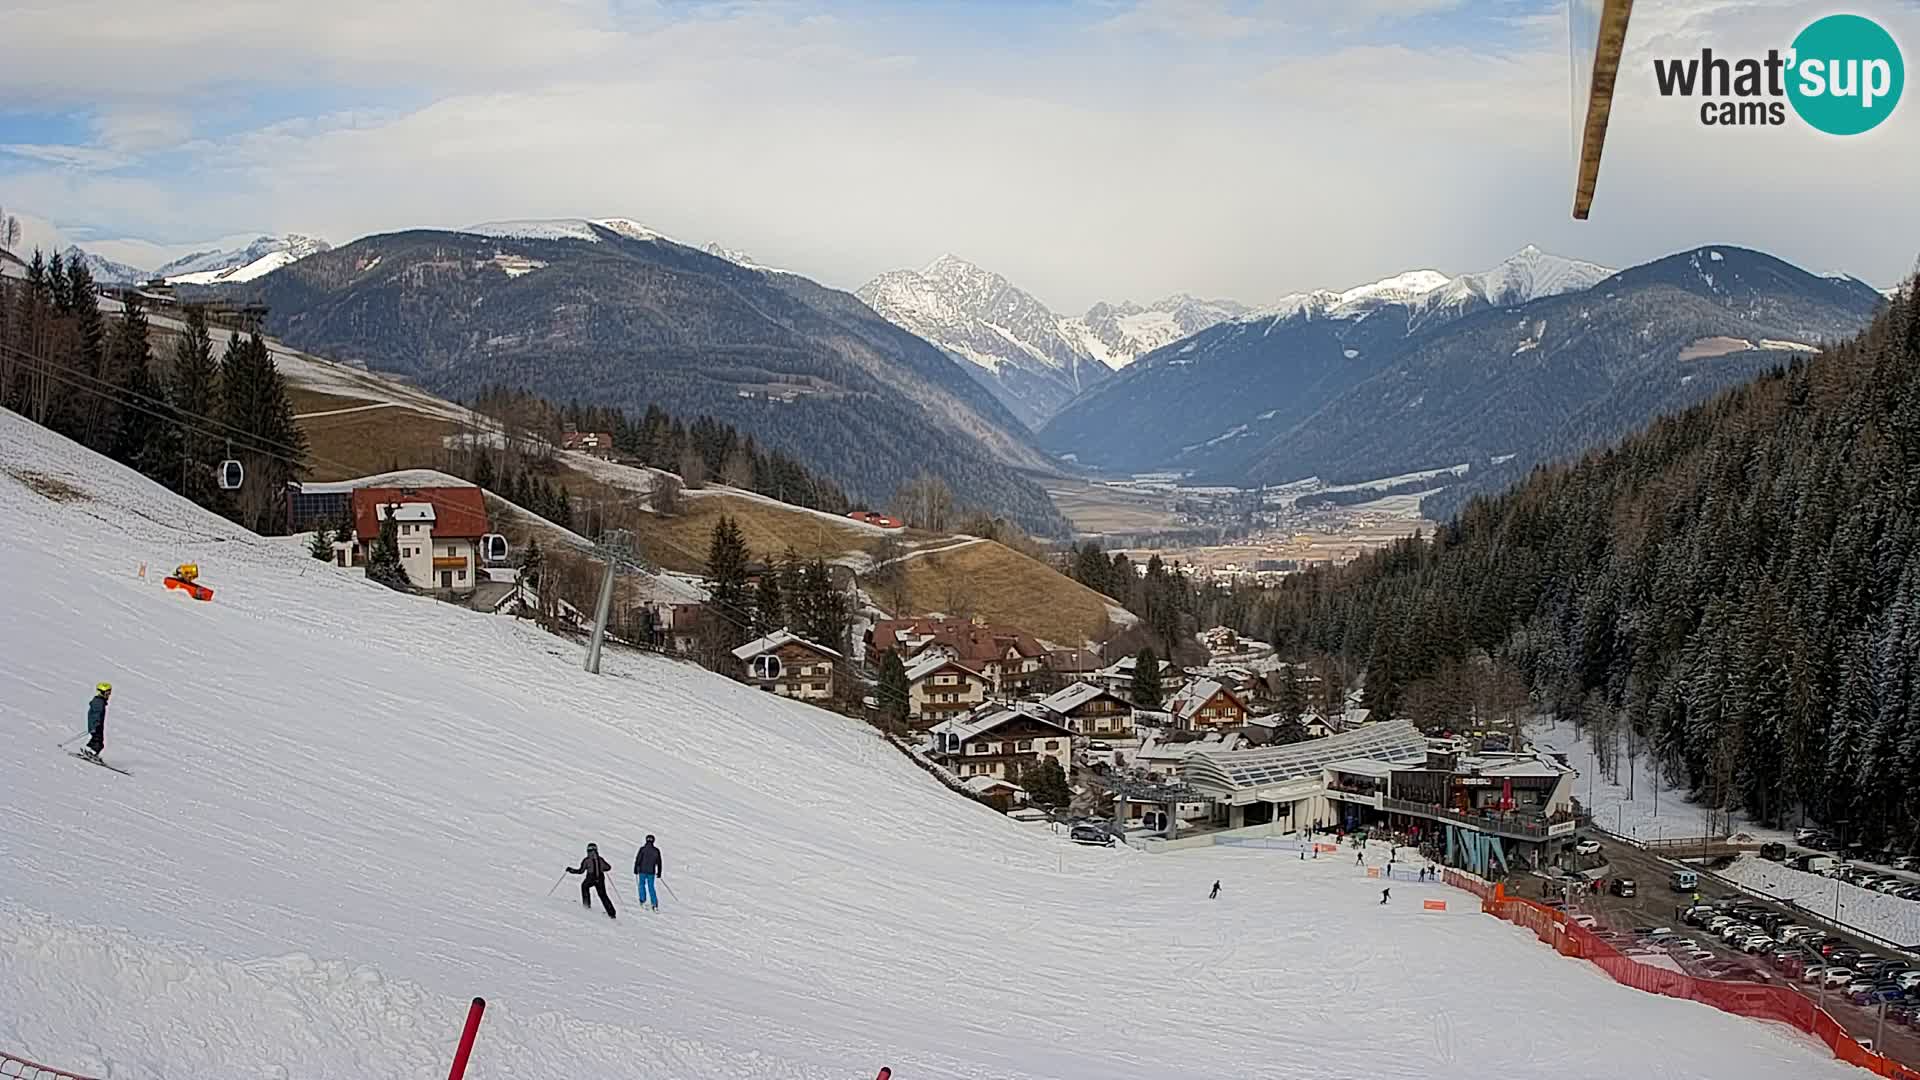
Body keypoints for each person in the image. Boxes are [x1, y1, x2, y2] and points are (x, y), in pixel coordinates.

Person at [568, 843, 616, 918]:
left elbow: (581, 871)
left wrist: (571, 870)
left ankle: (586, 905)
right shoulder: (600, 859)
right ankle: (612, 913)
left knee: (584, 887)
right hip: (600, 878)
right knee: (603, 895)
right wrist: (602, 868)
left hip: (590, 877)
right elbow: (608, 867)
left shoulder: (586, 860)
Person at [634, 834, 664, 911]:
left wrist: (635, 868)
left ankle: (642, 900)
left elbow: (638, 859)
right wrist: (659, 872)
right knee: (651, 887)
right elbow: (659, 862)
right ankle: (654, 903)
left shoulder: (642, 849)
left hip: (642, 871)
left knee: (641, 885)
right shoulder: (656, 850)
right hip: (651, 872)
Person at [84, 683, 111, 757]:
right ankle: (91, 754)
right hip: (96, 726)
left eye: (109, 693)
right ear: (101, 693)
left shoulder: (99, 701)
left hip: (96, 725)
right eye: (107, 693)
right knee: (98, 743)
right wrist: (95, 724)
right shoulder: (99, 702)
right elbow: (95, 714)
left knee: (96, 740)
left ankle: (90, 752)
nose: (108, 695)